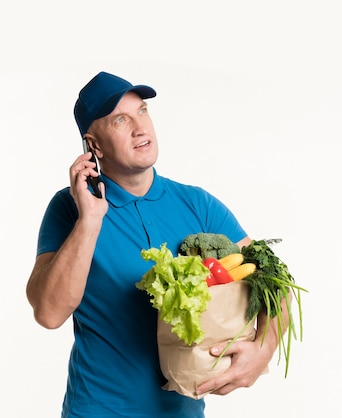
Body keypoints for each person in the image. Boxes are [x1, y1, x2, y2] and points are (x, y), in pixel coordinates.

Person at [26, 71, 286, 417]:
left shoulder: (198, 205)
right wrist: (90, 220)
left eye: (143, 111)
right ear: (94, 146)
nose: (140, 127)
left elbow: (273, 281)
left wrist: (263, 349)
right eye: (120, 119)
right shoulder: (69, 209)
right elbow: (48, 313)